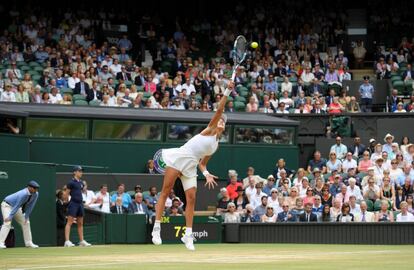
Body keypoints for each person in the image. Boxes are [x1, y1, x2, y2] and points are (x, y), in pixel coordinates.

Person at [151, 82, 234, 251]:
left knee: (191, 199)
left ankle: (188, 235)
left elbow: (202, 163)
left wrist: (207, 173)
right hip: (179, 159)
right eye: (219, 121)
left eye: (223, 123)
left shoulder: (216, 145)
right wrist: (227, 90)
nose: (220, 123)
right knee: (166, 191)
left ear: (224, 127)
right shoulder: (210, 129)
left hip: (191, 166)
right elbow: (219, 110)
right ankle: (156, 229)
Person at [0, 181, 40, 249]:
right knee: (7, 223)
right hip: (7, 205)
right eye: (34, 188)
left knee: (26, 222)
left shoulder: (36, 194)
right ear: (29, 187)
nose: (36, 190)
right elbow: (17, 205)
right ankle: (0, 243)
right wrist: (10, 216)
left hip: (17, 207)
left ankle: (29, 243)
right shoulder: (23, 194)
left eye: (36, 188)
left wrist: (26, 216)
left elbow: (31, 205)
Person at [64, 166, 91, 247]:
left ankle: (81, 241)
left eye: (81, 171)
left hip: (80, 204)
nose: (81, 173)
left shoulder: (81, 183)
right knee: (69, 222)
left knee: (80, 223)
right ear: (74, 172)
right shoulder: (70, 183)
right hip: (73, 204)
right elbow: (66, 194)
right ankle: (67, 241)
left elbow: (81, 191)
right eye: (79, 171)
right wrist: (67, 204)